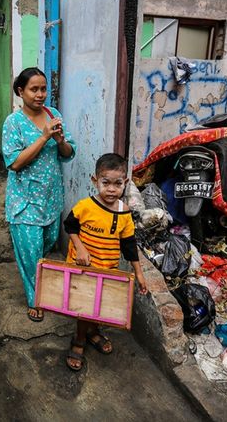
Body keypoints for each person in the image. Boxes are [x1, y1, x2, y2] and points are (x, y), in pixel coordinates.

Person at [2, 67, 76, 322]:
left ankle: (39, 282)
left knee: (46, 245)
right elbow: (14, 163)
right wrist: (44, 137)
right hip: (24, 201)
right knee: (30, 253)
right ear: (21, 92)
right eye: (34, 89)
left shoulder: (53, 114)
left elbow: (67, 153)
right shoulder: (13, 123)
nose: (40, 94)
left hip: (50, 199)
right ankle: (35, 299)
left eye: (43, 89)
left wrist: (60, 142)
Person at [63, 153, 148, 371]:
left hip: (107, 269)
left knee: (98, 305)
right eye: (105, 183)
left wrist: (138, 273)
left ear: (125, 183)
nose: (111, 189)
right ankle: (79, 340)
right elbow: (70, 225)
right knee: (84, 306)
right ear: (95, 181)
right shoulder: (85, 206)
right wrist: (80, 247)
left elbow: (129, 244)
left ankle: (92, 332)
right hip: (82, 268)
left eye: (117, 184)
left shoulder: (124, 213)